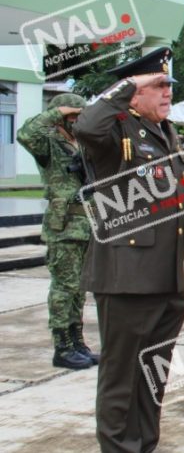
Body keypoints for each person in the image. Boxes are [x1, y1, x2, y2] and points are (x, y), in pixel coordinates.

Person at [73, 47, 184, 451]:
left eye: (168, 85)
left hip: (165, 277)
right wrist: (125, 86)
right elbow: (86, 128)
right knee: (121, 377)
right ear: (133, 92)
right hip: (127, 278)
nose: (167, 93)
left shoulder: (166, 131)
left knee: (152, 376)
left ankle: (144, 444)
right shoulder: (115, 130)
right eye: (157, 85)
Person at [17, 93, 97, 370]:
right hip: (64, 227)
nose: (77, 120)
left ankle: (77, 341)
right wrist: (57, 110)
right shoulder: (48, 143)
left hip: (87, 224)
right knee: (64, 288)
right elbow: (26, 133)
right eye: (73, 116)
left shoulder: (82, 144)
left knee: (80, 290)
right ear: (61, 116)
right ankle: (62, 346)